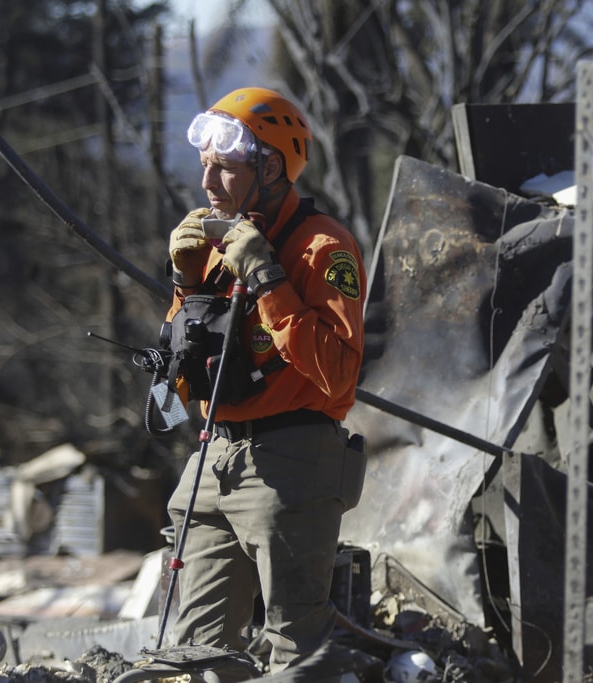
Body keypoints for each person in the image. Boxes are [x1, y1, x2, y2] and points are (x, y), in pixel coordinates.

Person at [164, 86, 367, 675]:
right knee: (194, 651)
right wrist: (182, 285)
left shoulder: (324, 248)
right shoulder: (210, 245)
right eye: (205, 167)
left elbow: (338, 377)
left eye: (224, 169)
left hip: (291, 459)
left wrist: (265, 275)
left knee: (297, 648)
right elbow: (178, 384)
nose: (207, 185)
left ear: (271, 166)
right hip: (212, 459)